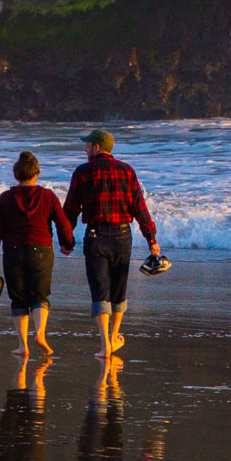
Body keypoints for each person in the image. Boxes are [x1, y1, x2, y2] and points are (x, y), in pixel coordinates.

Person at [61, 129, 161, 358]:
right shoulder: (127, 171)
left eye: (87, 145)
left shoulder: (83, 172)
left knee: (100, 291)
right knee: (118, 290)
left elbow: (71, 210)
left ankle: (106, 342)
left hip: (95, 236)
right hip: (123, 236)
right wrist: (151, 240)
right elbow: (140, 208)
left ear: (97, 147)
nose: (85, 148)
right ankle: (114, 336)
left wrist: (67, 241)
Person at [0, 150, 66, 356]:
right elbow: (62, 224)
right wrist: (68, 243)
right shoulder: (48, 196)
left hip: (13, 252)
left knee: (18, 299)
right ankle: (40, 333)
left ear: (16, 174)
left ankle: (23, 346)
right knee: (40, 295)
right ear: (36, 174)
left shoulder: (4, 198)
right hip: (42, 251)